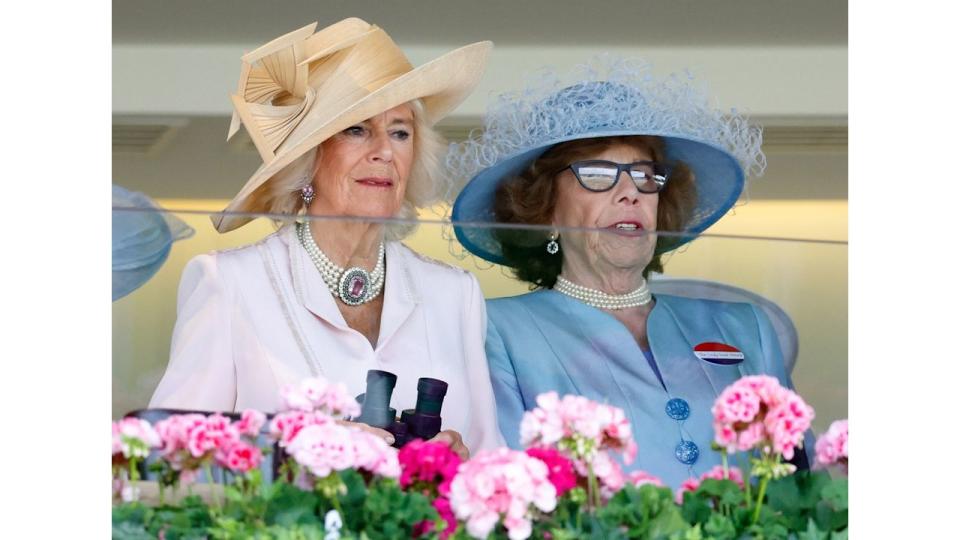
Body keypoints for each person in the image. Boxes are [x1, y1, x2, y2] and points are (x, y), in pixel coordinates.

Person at [448, 58, 811, 487]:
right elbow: (509, 489)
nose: (630, 194)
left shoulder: (747, 327)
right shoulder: (496, 331)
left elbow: (797, 493)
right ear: (544, 209)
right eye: (598, 175)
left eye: (645, 176)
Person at [149, 18, 503, 457]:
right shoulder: (229, 282)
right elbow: (171, 455)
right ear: (309, 159)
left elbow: (492, 456)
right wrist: (304, 449)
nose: (384, 151)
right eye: (356, 129)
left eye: (400, 132)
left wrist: (459, 462)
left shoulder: (454, 293)